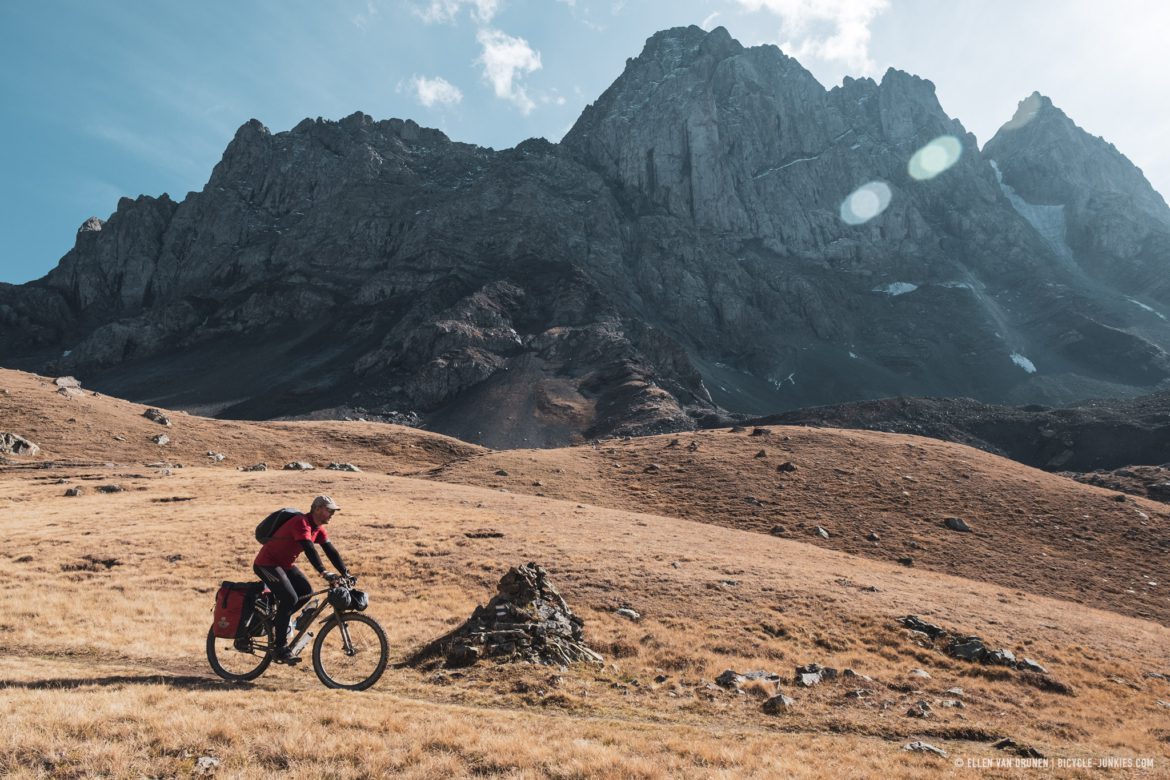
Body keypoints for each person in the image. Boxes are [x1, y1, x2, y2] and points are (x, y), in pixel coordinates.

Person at [253, 495, 350, 664]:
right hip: (267, 564)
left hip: (284, 564)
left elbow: (330, 551)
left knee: (306, 592)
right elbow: (309, 549)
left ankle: (278, 622)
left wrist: (345, 572)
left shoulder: (317, 528)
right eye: (329, 510)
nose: (332, 514)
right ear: (317, 509)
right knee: (289, 598)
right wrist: (324, 572)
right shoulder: (301, 522)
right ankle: (280, 648)